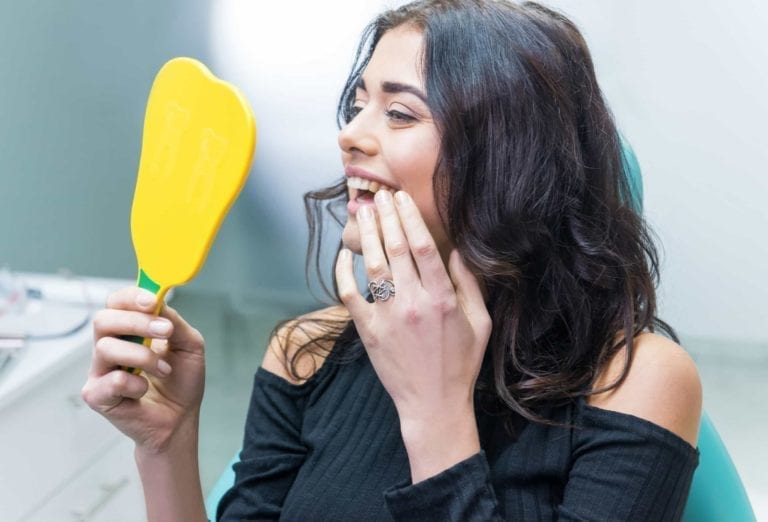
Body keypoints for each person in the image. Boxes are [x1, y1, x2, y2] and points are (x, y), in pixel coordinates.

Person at [81, 1, 703, 520]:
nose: (349, 133)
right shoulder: (307, 352)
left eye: (400, 112)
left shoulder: (633, 382)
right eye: (358, 103)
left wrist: (435, 412)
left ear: (512, 160)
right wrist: (166, 445)